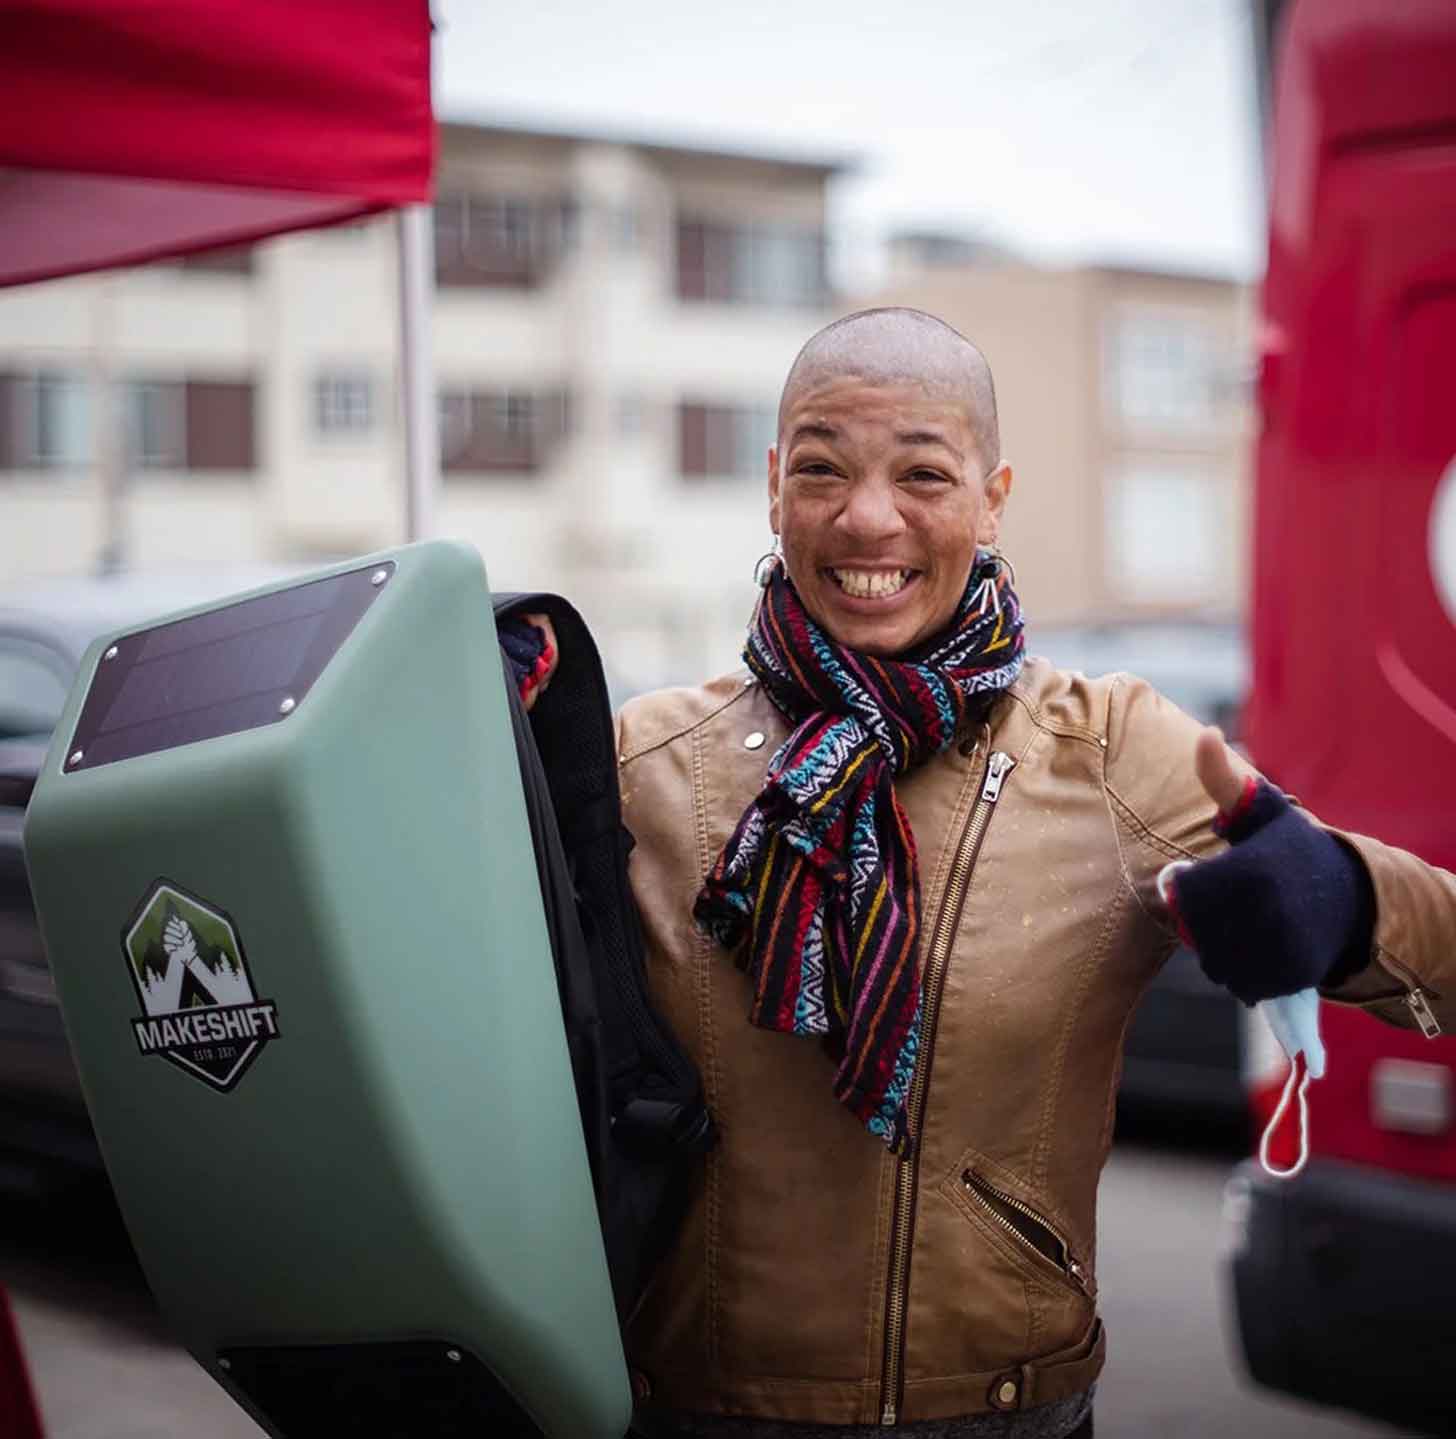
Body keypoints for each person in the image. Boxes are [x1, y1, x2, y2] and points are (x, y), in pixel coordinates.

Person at [509, 307, 1456, 1437]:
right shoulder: (639, 763)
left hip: (1007, 1414)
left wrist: (1343, 898)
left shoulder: (1108, 749)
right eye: (821, 468)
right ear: (772, 485)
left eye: (923, 473)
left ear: (992, 495)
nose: (867, 518)